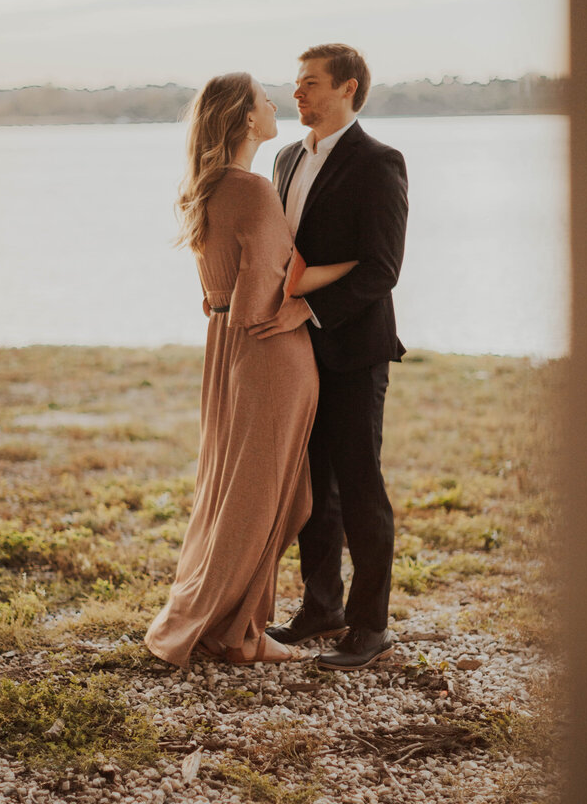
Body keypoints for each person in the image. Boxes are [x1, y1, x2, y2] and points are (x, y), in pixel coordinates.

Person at [144, 72, 356, 668]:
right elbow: (267, 291)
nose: (276, 104)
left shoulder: (206, 186)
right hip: (270, 354)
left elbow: (219, 289)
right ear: (244, 119)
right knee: (258, 497)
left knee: (231, 486)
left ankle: (228, 620)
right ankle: (237, 632)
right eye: (265, 99)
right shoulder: (256, 190)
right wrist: (344, 272)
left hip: (225, 347)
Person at [250, 44, 408, 671]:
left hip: (353, 350)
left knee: (361, 483)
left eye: (310, 84)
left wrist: (310, 311)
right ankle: (321, 607)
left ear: (347, 88)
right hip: (295, 353)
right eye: (295, 84)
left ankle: (370, 627)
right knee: (312, 485)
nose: (298, 94)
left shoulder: (379, 162)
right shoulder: (286, 159)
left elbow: (383, 267)